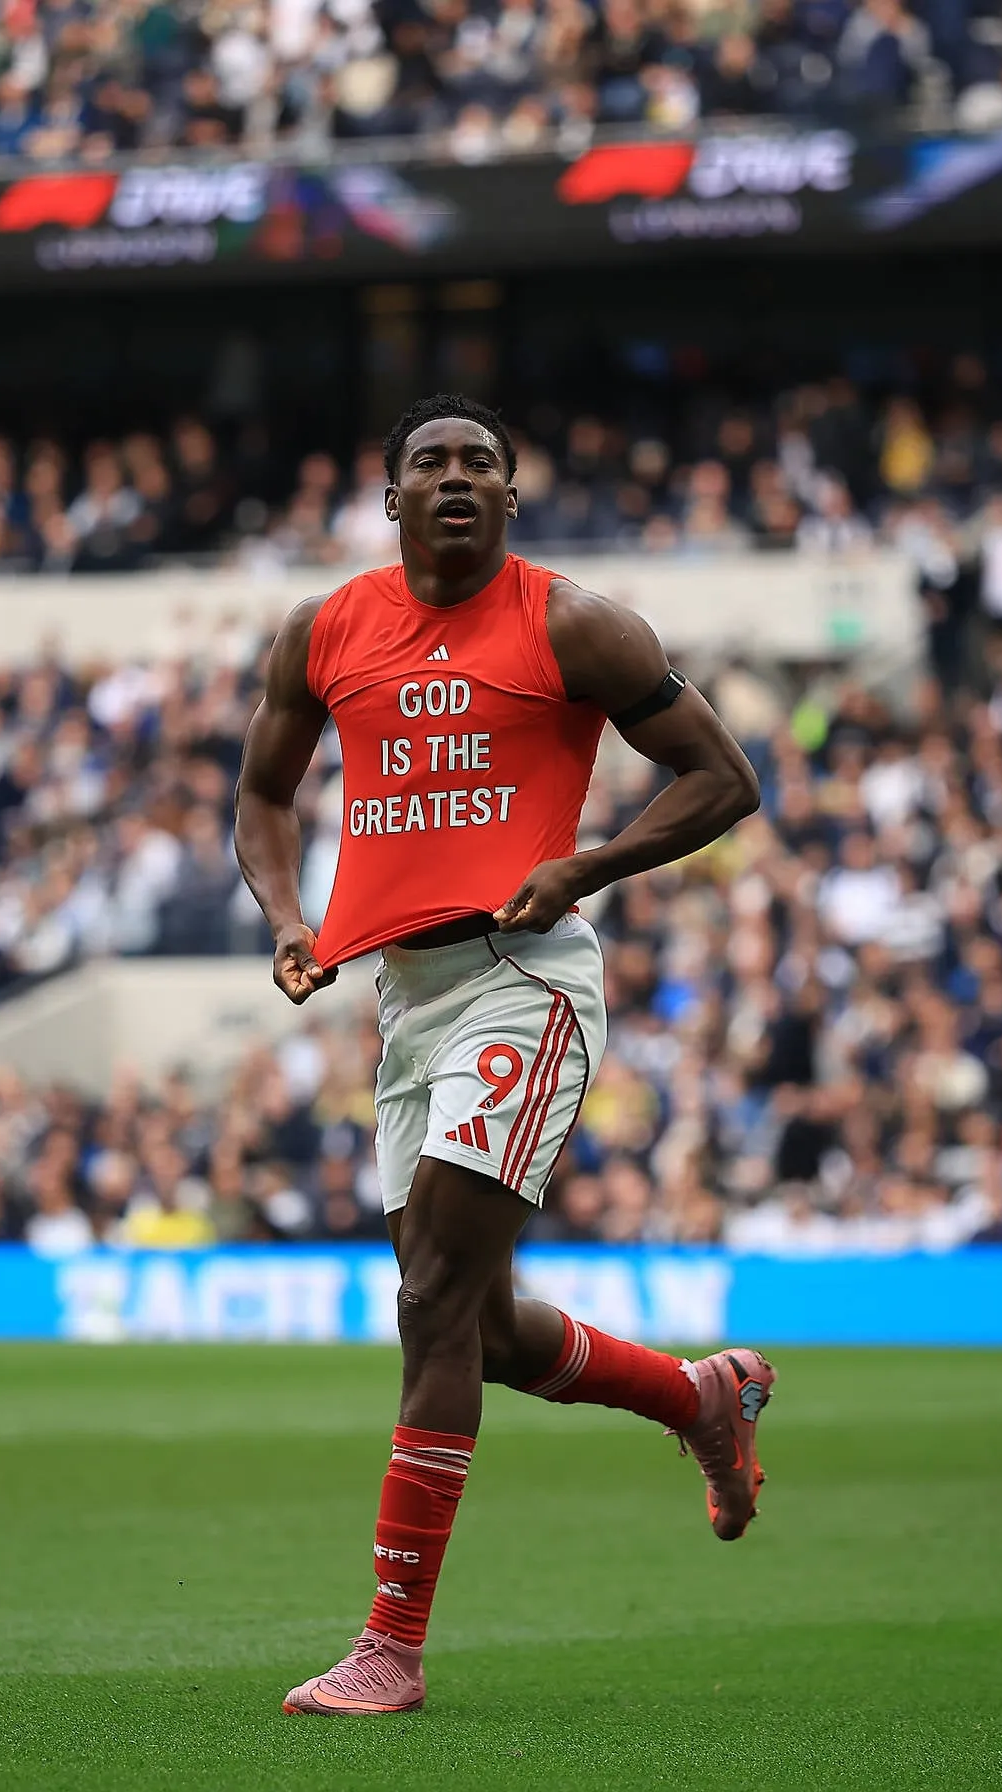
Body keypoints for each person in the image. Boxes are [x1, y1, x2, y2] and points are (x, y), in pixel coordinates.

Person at [234, 394, 767, 1717]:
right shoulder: (324, 630)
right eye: (432, 462)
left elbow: (722, 779)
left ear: (513, 498)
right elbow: (261, 794)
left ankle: (390, 1649)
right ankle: (695, 1397)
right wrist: (291, 919)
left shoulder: (571, 623)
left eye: (484, 462)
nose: (458, 477)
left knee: (430, 1301)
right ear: (392, 497)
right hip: (405, 995)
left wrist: (591, 860)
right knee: (481, 1324)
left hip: (525, 978)